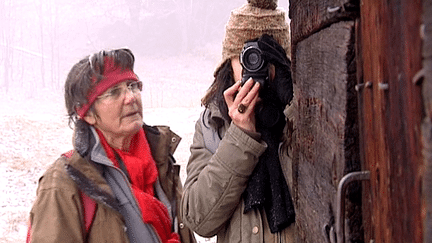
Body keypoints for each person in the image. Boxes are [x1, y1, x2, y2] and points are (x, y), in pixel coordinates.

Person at [28, 48, 196, 243]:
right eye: (114, 92)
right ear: (88, 114)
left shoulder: (160, 161)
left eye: (132, 86)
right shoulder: (65, 182)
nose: (131, 97)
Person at [180, 0, 295, 242]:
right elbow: (198, 220)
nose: (254, 69)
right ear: (227, 64)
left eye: (266, 59)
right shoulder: (213, 124)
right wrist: (240, 136)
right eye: (246, 59)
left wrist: (293, 105)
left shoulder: (304, 112)